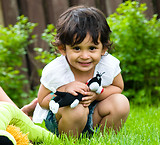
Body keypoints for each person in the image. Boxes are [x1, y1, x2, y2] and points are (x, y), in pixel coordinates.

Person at [33, 5, 130, 137]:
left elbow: (118, 87)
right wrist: (64, 89)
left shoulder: (108, 64)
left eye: (92, 48)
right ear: (63, 48)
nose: (85, 56)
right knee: (77, 110)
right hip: (64, 118)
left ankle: (103, 141)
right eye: (77, 48)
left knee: (121, 102)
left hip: (94, 113)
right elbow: (42, 100)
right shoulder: (56, 70)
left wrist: (98, 94)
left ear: (103, 48)